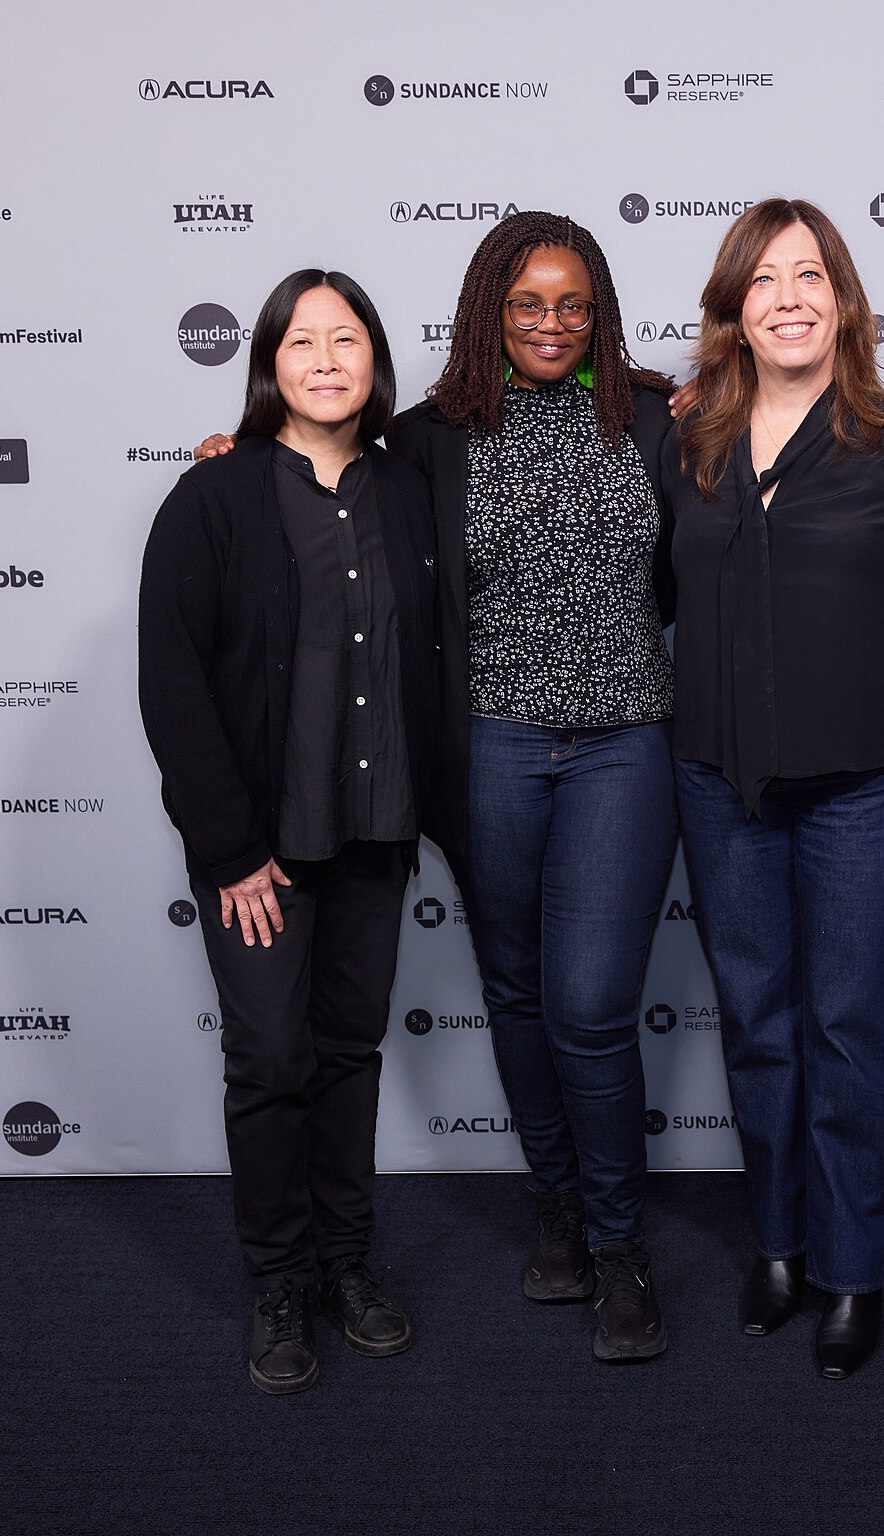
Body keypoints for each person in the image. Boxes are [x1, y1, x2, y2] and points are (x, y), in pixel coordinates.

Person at [198, 213, 680, 1365]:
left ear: (599, 311)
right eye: (526, 304)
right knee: (515, 989)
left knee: (592, 1005)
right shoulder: (428, 438)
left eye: (574, 304)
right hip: (487, 749)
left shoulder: (658, 420)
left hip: (627, 743)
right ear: (487, 314)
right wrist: (232, 456)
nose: (552, 324)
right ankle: (556, 1211)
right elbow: (319, 477)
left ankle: (618, 1246)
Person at [663, 198, 884, 1379]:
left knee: (848, 1030)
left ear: (842, 298)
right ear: (735, 310)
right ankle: (779, 1245)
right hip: (717, 782)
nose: (788, 298)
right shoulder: (686, 443)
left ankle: (850, 1268)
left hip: (864, 791)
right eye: (764, 280)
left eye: (809, 276)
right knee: (757, 1025)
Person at [140, 269, 439, 1395]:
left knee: (351, 1055)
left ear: (374, 361)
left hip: (373, 830)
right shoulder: (212, 498)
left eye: (347, 339)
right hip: (258, 848)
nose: (326, 360)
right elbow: (173, 683)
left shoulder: (407, 490)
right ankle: (278, 1280)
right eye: (302, 341)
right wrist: (225, 851)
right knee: (271, 1062)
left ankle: (346, 1266)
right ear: (268, 364)